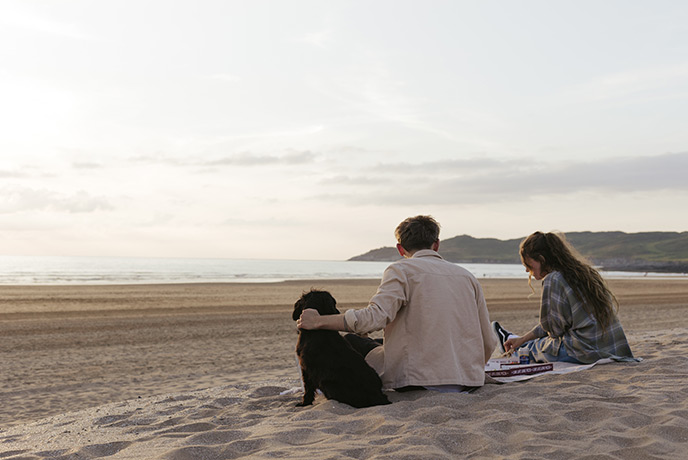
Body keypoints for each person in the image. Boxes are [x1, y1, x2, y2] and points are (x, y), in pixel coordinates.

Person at [297, 215, 497, 392]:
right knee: (380, 344)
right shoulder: (467, 276)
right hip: (467, 381)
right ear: (436, 244)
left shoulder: (401, 270)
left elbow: (374, 319)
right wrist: (471, 370)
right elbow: (488, 340)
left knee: (351, 341)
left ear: (401, 249)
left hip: (419, 381)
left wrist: (318, 321)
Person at [492, 231, 637, 364]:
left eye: (529, 265)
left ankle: (511, 341)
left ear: (541, 259)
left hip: (586, 350)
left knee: (540, 346)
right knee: (540, 341)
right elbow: (555, 323)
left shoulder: (553, 279)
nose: (526, 270)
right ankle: (517, 340)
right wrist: (524, 337)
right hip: (611, 347)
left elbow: (554, 331)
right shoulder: (584, 273)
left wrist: (528, 340)